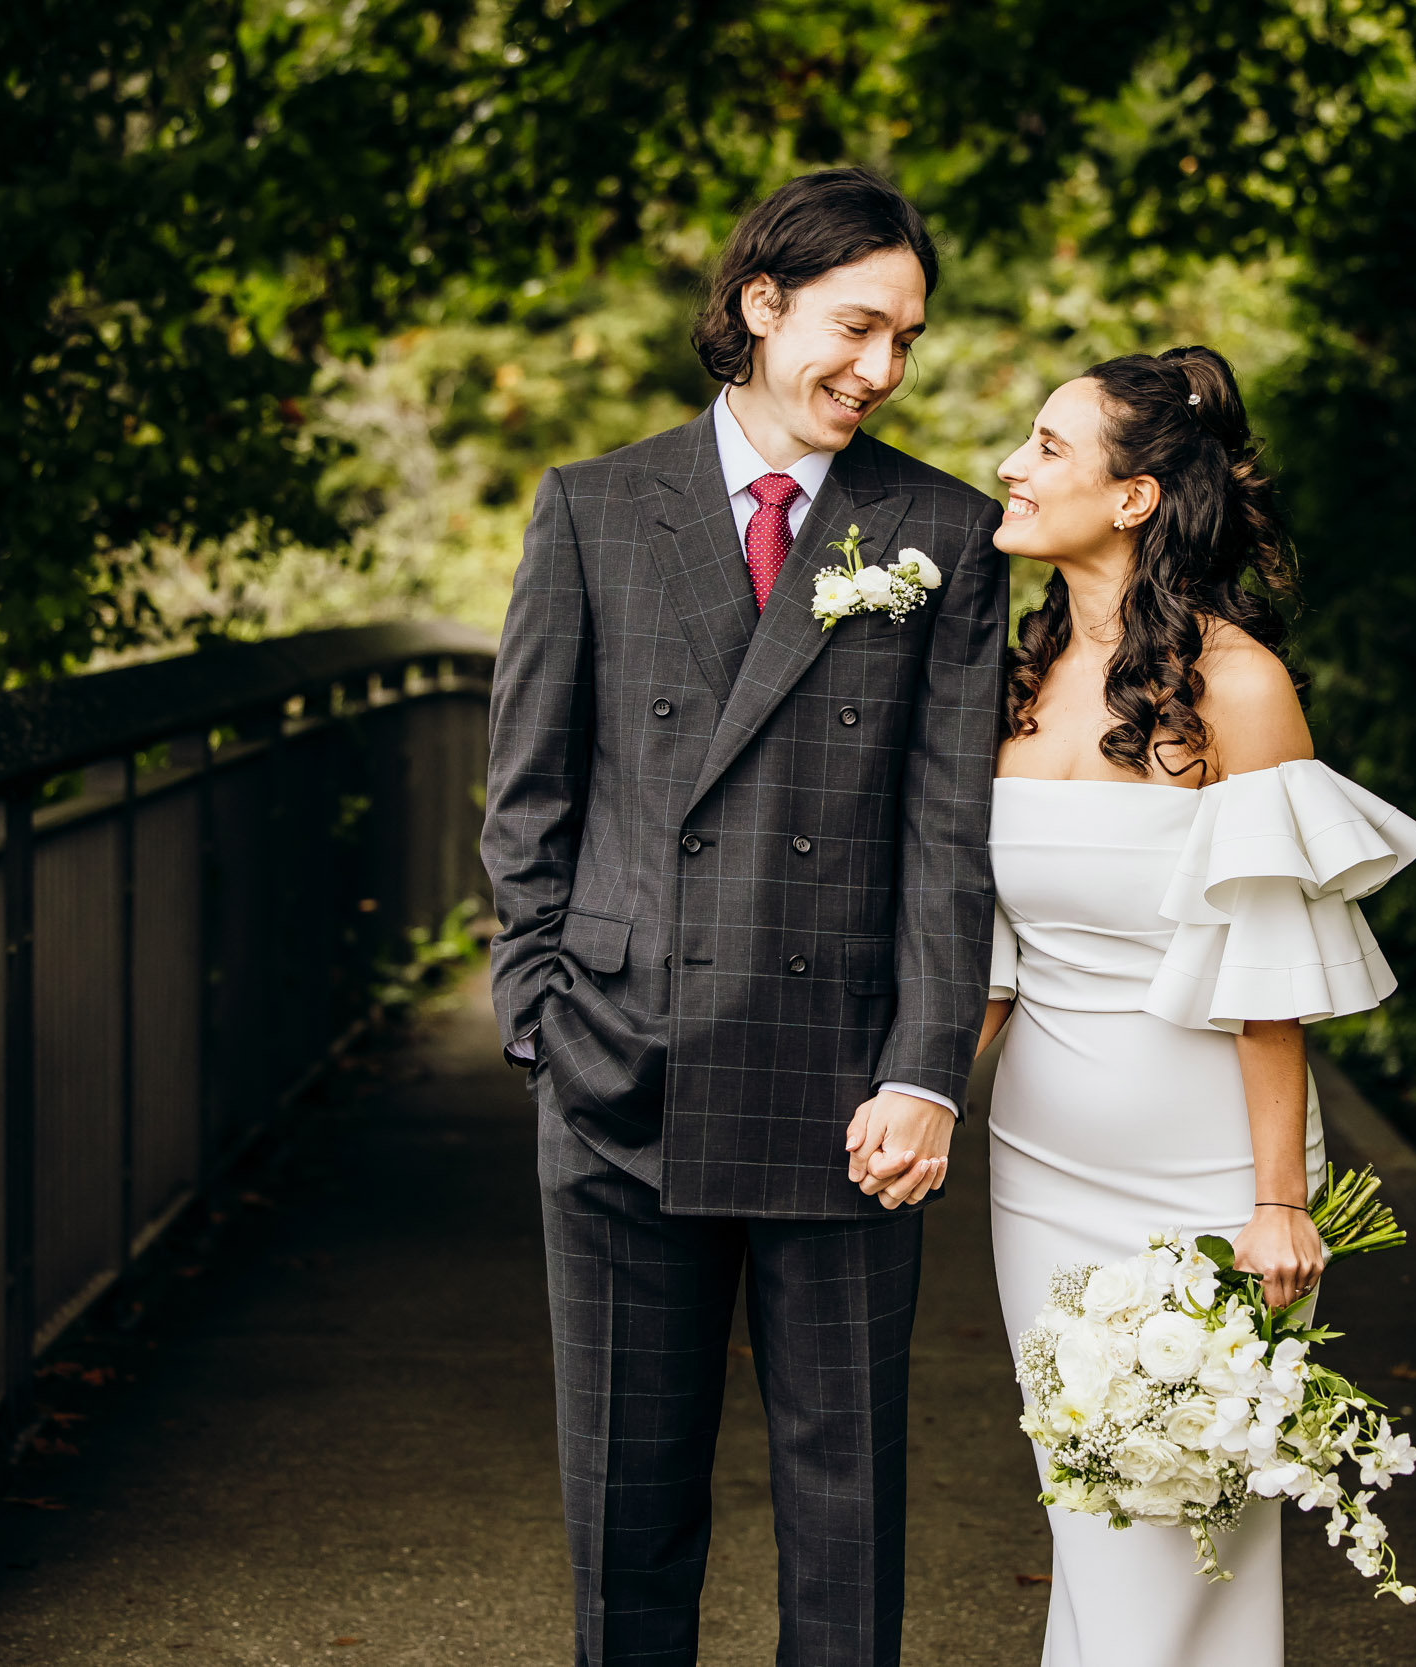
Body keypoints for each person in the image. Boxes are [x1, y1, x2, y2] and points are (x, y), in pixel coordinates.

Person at [479, 168, 1007, 1666]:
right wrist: (536, 1015)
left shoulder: (942, 530)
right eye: (857, 327)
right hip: (616, 1069)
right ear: (763, 305)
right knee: (624, 1509)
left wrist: (923, 1071)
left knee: (845, 1516)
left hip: (844, 1094)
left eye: (907, 339)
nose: (882, 370)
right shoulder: (595, 506)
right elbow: (528, 798)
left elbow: (946, 830)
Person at [978, 347, 1416, 1666]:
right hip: (1037, 1176)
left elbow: (1270, 966)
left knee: (1162, 1535)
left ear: (1132, 498)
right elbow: (994, 955)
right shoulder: (1014, 675)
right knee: (1102, 1526)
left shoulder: (1238, 688)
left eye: (1050, 446)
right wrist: (921, 1097)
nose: (1013, 463)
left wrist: (1279, 1196)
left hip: (1208, 1179)